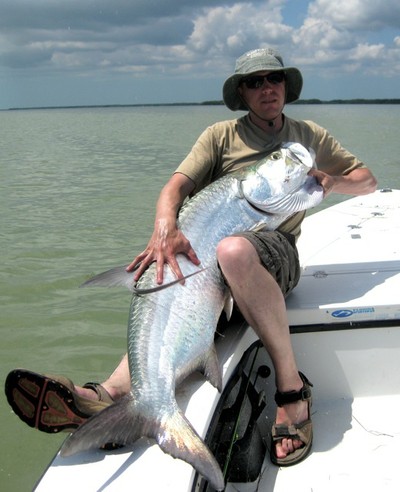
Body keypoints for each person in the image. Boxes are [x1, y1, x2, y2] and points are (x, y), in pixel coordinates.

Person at [5, 48, 377, 467]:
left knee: (232, 249)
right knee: (167, 283)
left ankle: (292, 393)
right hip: (214, 268)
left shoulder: (308, 136)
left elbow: (368, 182)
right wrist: (165, 228)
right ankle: (107, 395)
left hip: (272, 258)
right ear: (242, 92)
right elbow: (175, 188)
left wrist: (332, 180)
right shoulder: (220, 135)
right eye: (254, 82)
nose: (266, 88)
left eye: (273, 78)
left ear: (286, 85)